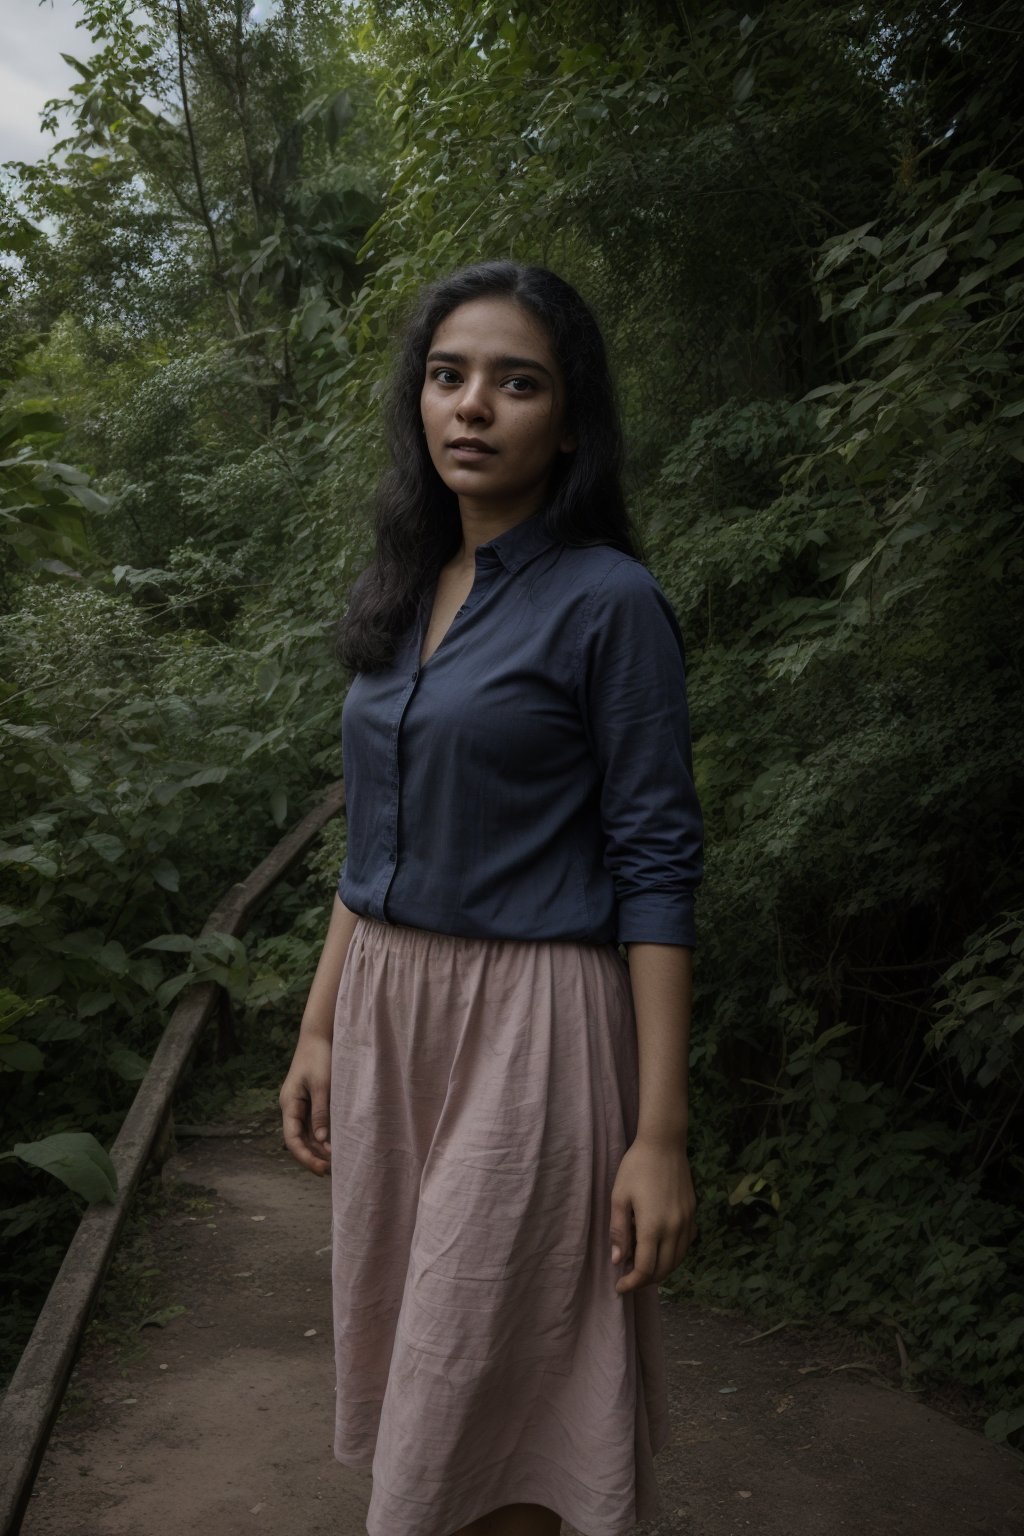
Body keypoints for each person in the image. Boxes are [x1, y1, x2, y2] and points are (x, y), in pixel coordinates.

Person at [279, 260, 704, 1536]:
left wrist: (660, 1132)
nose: (473, 407)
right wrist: (318, 1025)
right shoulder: (404, 592)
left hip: (531, 1025)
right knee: (453, 1375)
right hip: (392, 1019)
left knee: (498, 1384)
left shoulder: (609, 604)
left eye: (516, 384)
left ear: (566, 424)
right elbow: (378, 838)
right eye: (448, 376)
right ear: (418, 402)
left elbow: (657, 862)